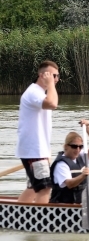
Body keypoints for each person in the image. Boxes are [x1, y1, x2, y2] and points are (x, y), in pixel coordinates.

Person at [16, 61, 60, 204]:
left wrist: (47, 152)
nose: (56, 79)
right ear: (42, 75)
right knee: (44, 188)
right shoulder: (34, 92)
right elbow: (53, 104)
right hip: (34, 150)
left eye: (57, 76)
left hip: (38, 150)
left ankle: (17, 214)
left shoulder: (41, 93)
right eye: (53, 76)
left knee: (33, 188)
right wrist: (51, 85)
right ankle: (41, 221)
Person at [49, 119, 89, 204]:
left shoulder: (81, 156)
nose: (77, 149)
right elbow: (69, 184)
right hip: (63, 207)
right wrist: (83, 175)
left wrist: (88, 129)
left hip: (80, 204)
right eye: (74, 146)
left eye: (80, 146)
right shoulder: (61, 164)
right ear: (66, 146)